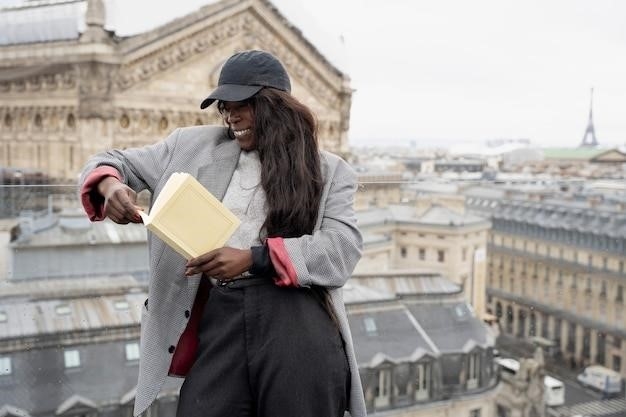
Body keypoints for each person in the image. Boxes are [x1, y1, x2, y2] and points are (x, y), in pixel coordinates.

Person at [79, 50, 366, 417]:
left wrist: (254, 257)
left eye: (242, 104)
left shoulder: (330, 171)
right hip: (220, 316)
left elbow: (342, 249)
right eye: (224, 106)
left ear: (274, 105)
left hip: (296, 322)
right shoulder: (190, 146)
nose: (231, 116)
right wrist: (110, 187)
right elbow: (110, 160)